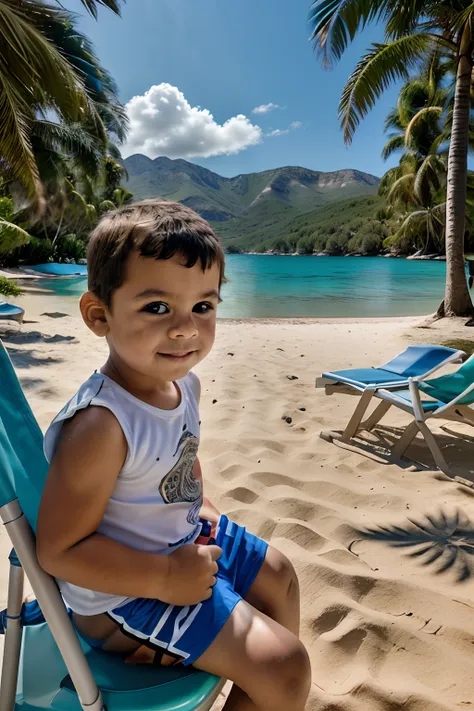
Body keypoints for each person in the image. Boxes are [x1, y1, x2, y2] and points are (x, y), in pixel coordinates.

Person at [36, 200, 311, 711]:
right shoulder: (101, 425)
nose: (186, 328)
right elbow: (59, 552)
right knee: (286, 666)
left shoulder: (182, 384)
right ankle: (268, 681)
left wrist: (200, 505)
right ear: (99, 315)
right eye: (158, 307)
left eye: (203, 307)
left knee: (281, 575)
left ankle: (257, 687)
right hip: (121, 597)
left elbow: (182, 457)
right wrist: (164, 578)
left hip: (177, 539)